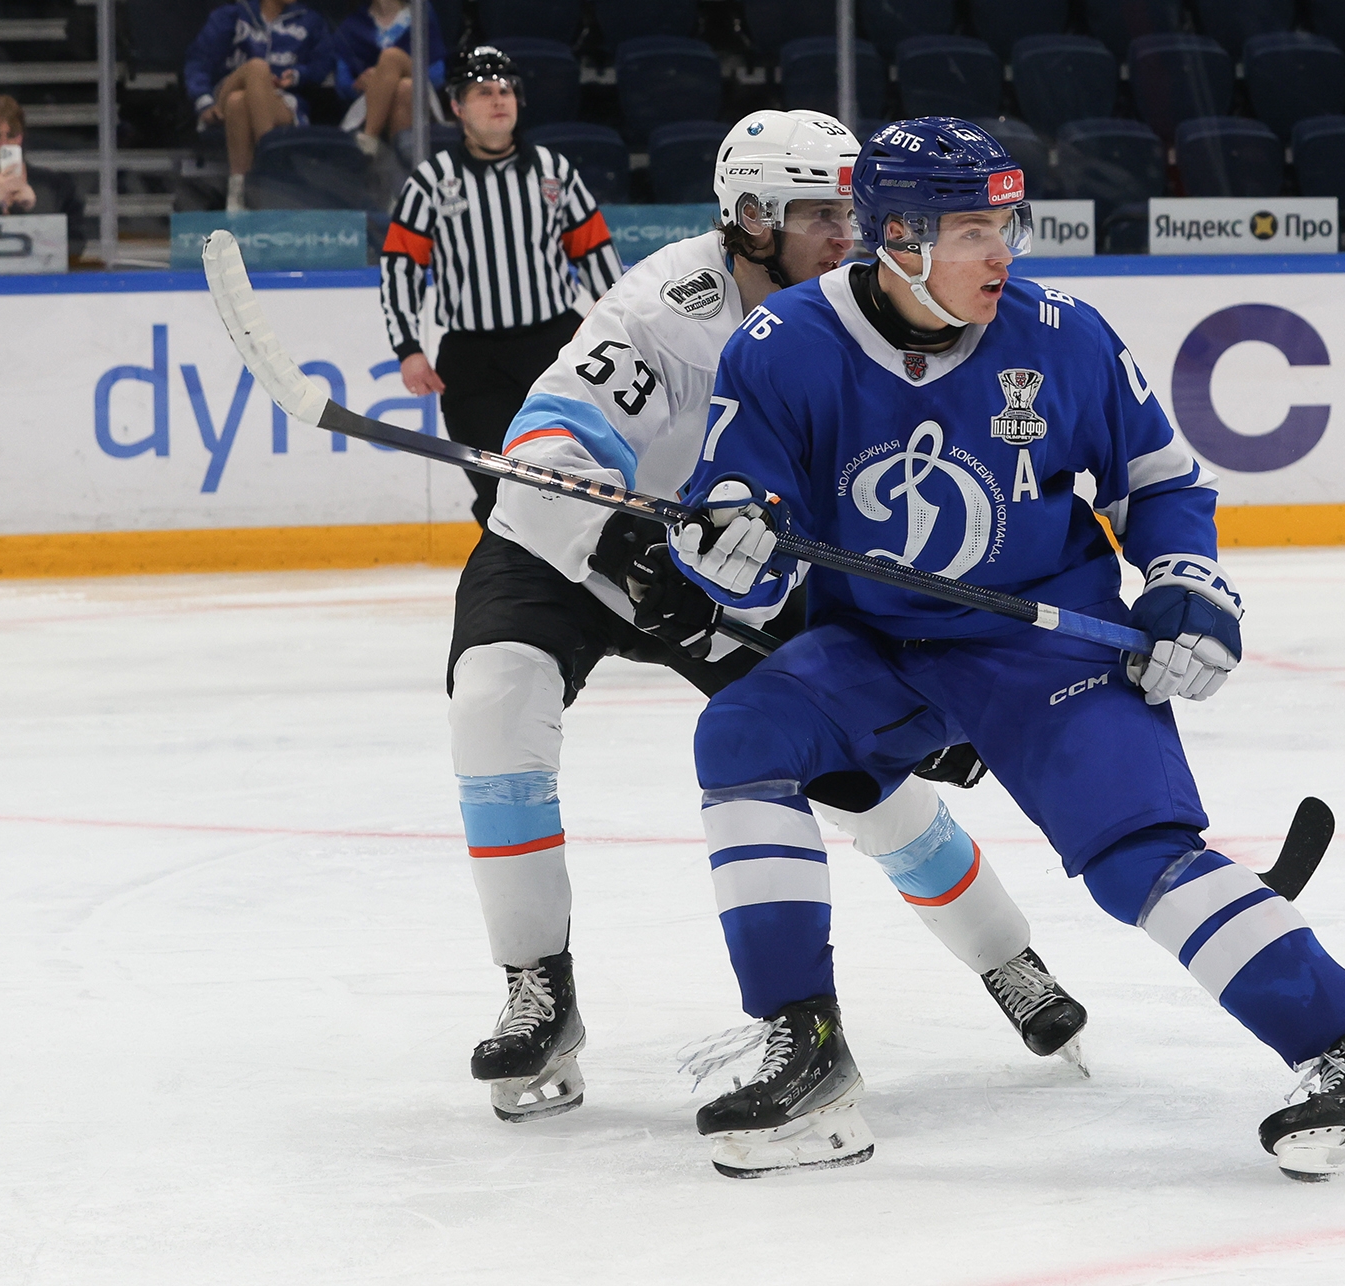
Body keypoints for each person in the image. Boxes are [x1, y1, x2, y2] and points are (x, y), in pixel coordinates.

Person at [668, 117, 1345, 1180]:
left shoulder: (1063, 335)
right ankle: (807, 1049)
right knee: (742, 732)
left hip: (1043, 647)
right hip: (876, 647)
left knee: (1136, 857)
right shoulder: (781, 343)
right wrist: (724, 543)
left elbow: (1160, 482)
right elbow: (736, 521)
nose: (1003, 254)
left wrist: (1186, 587)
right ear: (898, 239)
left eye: (1007, 226)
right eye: (973, 233)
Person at [445, 108, 1088, 1126]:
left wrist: (923, 673)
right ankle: (538, 988)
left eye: (854, 212)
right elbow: (547, 443)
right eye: (821, 216)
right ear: (751, 218)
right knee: (494, 698)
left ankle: (1009, 958)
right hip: (569, 549)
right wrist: (617, 541)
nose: (849, 234)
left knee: (857, 775)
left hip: (724, 571)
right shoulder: (666, 306)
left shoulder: (866, 315)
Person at [379, 45, 624, 529]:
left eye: (507, 90)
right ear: (457, 106)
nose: (499, 99)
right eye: (483, 91)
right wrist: (408, 347)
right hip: (473, 364)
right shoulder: (432, 182)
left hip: (554, 351)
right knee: (499, 492)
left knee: (576, 480)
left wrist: (619, 330)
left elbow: (597, 255)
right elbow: (401, 266)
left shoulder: (554, 171)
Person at [183, 0, 335, 210]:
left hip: (279, 100)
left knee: (239, 103)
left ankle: (238, 194)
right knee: (256, 68)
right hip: (225, 93)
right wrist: (203, 101)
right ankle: (271, 170)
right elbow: (198, 60)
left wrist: (298, 74)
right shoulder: (231, 16)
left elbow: (322, 64)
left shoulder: (310, 21)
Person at [0, 95, 87, 257]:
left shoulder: (56, 186)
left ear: (22, 137)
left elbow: (75, 247)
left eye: (11, 135)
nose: (3, 144)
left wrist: (35, 209)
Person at [332, 0, 445, 157]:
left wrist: (386, 74)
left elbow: (438, 73)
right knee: (404, 88)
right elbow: (343, 83)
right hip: (368, 103)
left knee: (392, 58)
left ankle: (369, 138)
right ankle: (404, 170)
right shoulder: (354, 24)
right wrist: (373, 82)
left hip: (422, 96)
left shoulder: (421, 14)